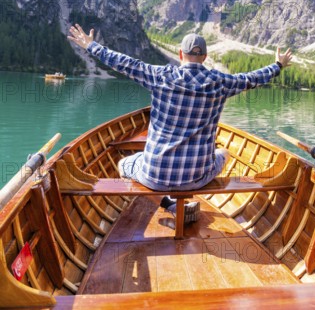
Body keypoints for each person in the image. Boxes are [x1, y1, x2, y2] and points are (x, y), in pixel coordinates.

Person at [68, 24, 292, 223]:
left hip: (154, 176)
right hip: (197, 178)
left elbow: (125, 64)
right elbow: (252, 79)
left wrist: (92, 46)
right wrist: (278, 65)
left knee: (124, 164)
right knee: (224, 152)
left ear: (180, 54)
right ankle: (177, 204)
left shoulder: (160, 76)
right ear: (204, 57)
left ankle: (168, 204)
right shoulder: (221, 82)